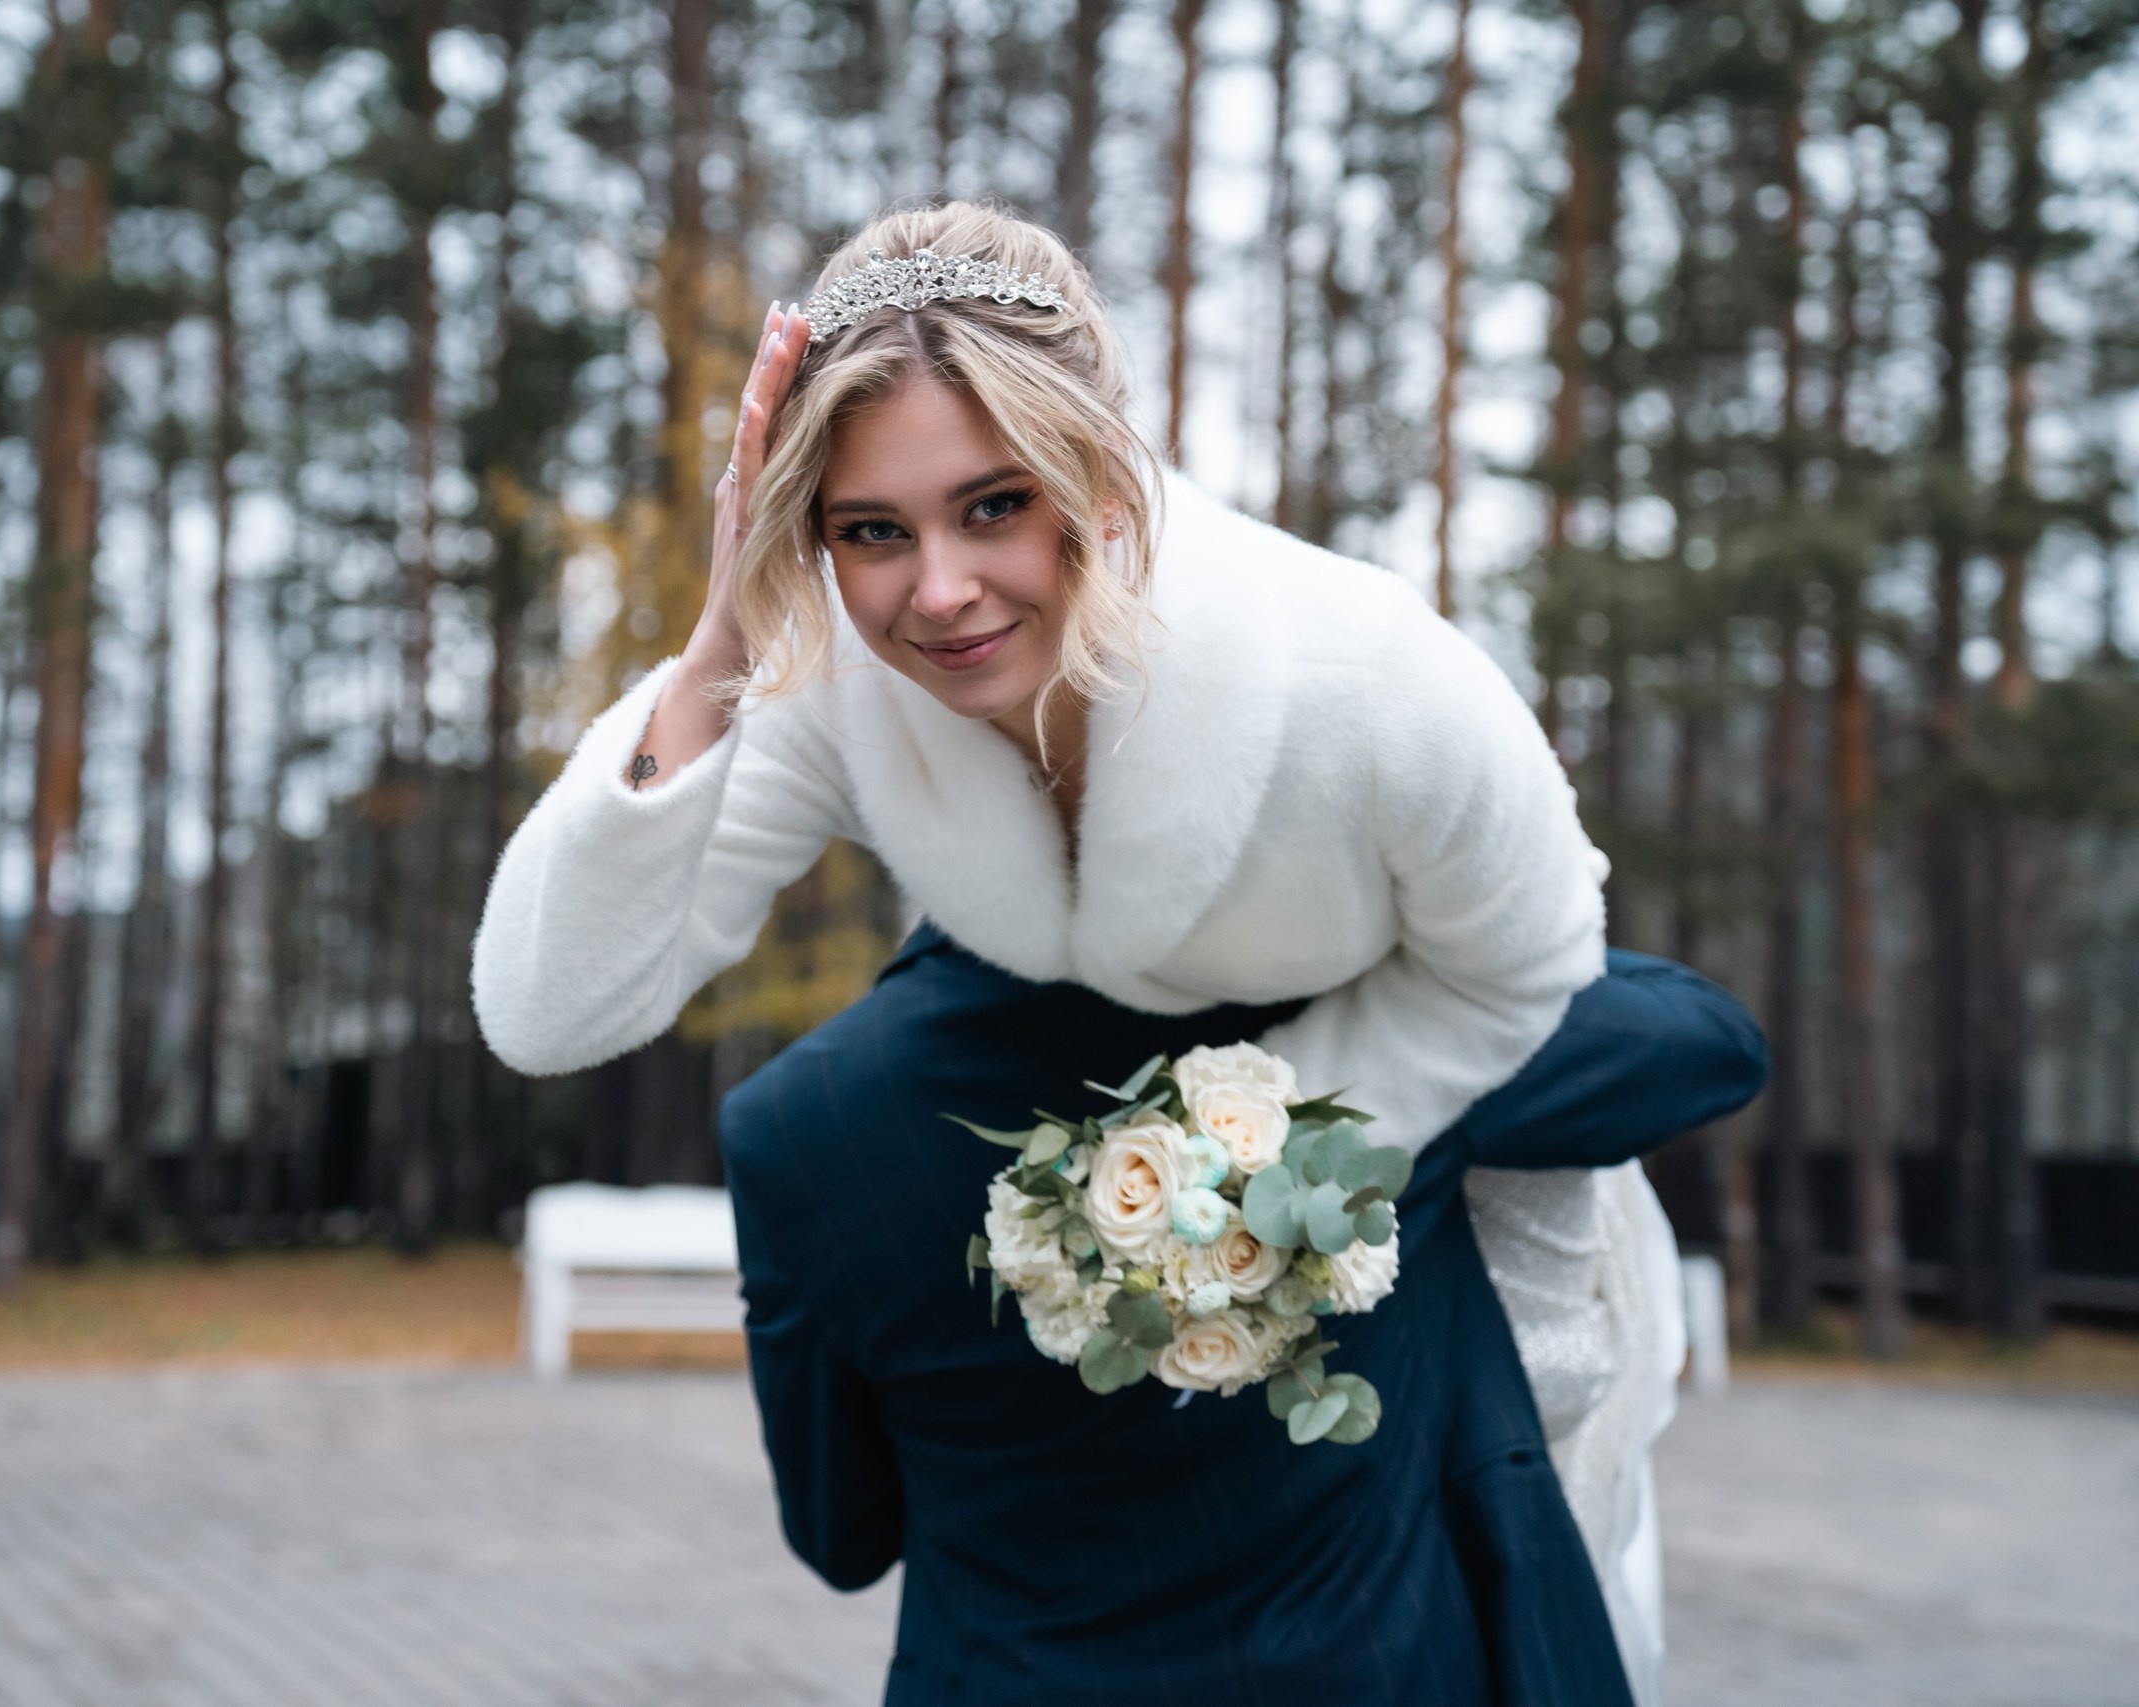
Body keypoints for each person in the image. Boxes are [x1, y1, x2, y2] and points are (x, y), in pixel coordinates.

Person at [471, 202, 1764, 1702]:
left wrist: (1243, 1154)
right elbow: (547, 1007)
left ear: (1096, 464)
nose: (937, 590)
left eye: (993, 505)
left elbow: (1534, 970)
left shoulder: (1374, 682)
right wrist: (717, 655)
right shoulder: (844, 679)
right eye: (869, 530)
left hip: (1422, 1175)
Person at [721, 927, 1764, 1706]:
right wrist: (1427, 918)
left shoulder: (793, 1122)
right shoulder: (1382, 1013)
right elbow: (1709, 1042)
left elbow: (842, 1532)